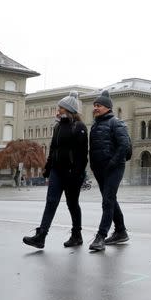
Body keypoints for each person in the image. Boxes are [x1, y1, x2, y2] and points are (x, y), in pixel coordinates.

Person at [22, 91, 88, 249]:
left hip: (72, 173)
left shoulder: (79, 127)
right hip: (57, 172)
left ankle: (76, 235)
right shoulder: (58, 126)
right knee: (51, 202)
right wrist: (47, 168)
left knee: (72, 204)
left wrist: (76, 173)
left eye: (60, 109)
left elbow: (82, 155)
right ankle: (41, 236)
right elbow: (53, 149)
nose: (57, 111)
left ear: (69, 110)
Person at [88, 90, 132, 251]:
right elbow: (93, 148)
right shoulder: (95, 125)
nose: (95, 108)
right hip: (100, 169)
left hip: (114, 168)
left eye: (98, 105)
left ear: (107, 107)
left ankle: (101, 236)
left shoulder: (116, 123)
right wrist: (93, 165)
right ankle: (121, 231)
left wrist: (112, 163)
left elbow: (124, 146)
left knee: (107, 201)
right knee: (110, 200)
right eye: (94, 106)